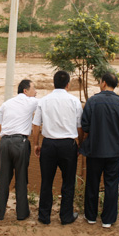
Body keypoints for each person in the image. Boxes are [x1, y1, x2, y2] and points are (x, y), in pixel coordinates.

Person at [80, 72, 119, 228]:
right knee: (111, 186)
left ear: (103, 83)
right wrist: (118, 148)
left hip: (94, 152)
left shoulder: (92, 102)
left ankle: (90, 216)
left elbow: (85, 128)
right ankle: (108, 220)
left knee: (92, 184)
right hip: (114, 153)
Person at [31, 71, 83, 225]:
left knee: (46, 181)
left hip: (49, 145)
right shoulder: (74, 101)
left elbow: (36, 125)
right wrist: (79, 143)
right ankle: (66, 217)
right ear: (68, 84)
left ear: (53, 83)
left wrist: (36, 144)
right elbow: (80, 127)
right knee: (68, 182)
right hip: (68, 145)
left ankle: (44, 216)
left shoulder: (44, 101)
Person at [0, 79, 38, 221]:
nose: (35, 92)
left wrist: (6, 141)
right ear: (25, 91)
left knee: (3, 178)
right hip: (20, 142)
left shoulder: (5, 104)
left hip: (5, 142)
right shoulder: (31, 102)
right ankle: (22, 213)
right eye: (34, 89)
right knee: (21, 178)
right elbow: (48, 104)